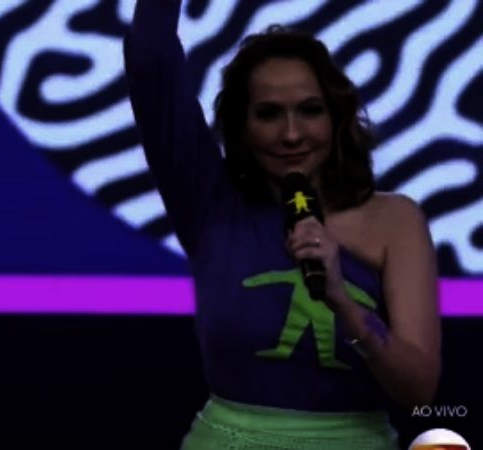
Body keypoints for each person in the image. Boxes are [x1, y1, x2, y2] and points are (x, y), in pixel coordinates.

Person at [124, 1, 441, 448]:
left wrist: (342, 301)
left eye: (310, 110)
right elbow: (150, 57)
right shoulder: (209, 206)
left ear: (337, 116)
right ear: (241, 125)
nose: (292, 134)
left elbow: (418, 391)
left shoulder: (395, 220)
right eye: (268, 114)